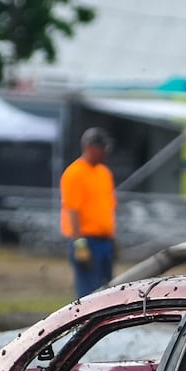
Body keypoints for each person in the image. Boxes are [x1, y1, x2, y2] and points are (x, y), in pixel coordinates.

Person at [60, 127, 117, 298]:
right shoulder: (75, 173)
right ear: (90, 147)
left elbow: (109, 207)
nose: (105, 152)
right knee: (89, 294)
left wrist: (113, 238)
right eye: (102, 147)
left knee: (107, 291)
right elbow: (73, 211)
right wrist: (80, 245)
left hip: (105, 241)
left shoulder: (104, 173)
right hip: (87, 241)